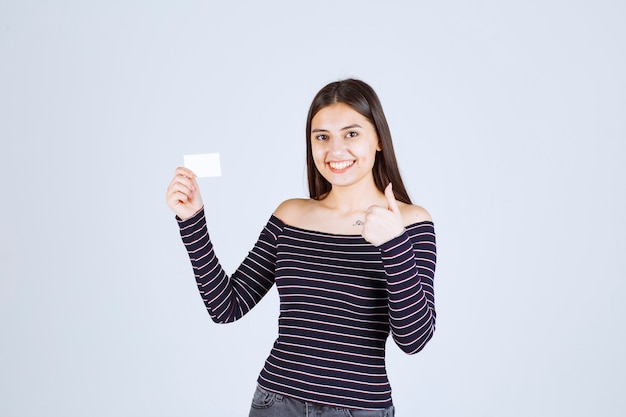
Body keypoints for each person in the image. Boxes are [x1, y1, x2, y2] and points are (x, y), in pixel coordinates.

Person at [165, 79, 436, 417]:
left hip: (359, 409)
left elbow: (414, 339)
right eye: (322, 137)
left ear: (378, 139)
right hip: (276, 402)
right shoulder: (291, 215)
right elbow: (226, 307)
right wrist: (192, 221)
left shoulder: (410, 223)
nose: (335, 151)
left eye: (351, 134)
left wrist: (394, 245)